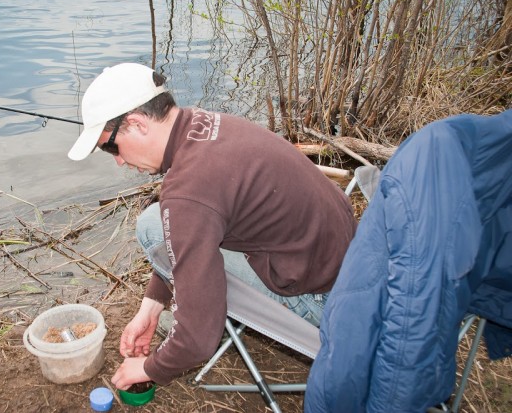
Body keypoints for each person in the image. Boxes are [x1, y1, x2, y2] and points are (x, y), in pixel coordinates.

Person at [67, 63, 357, 389]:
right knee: (166, 220)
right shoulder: (205, 124)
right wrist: (151, 306)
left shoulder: (189, 191)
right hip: (353, 269)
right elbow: (189, 230)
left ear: (136, 123)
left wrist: (148, 368)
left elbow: (198, 339)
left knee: (152, 225)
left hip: (323, 302)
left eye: (111, 147)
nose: (118, 160)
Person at [305, 109, 512, 412]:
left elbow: (409, 330)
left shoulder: (433, 161)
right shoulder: (473, 151)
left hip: (356, 302)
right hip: (476, 274)